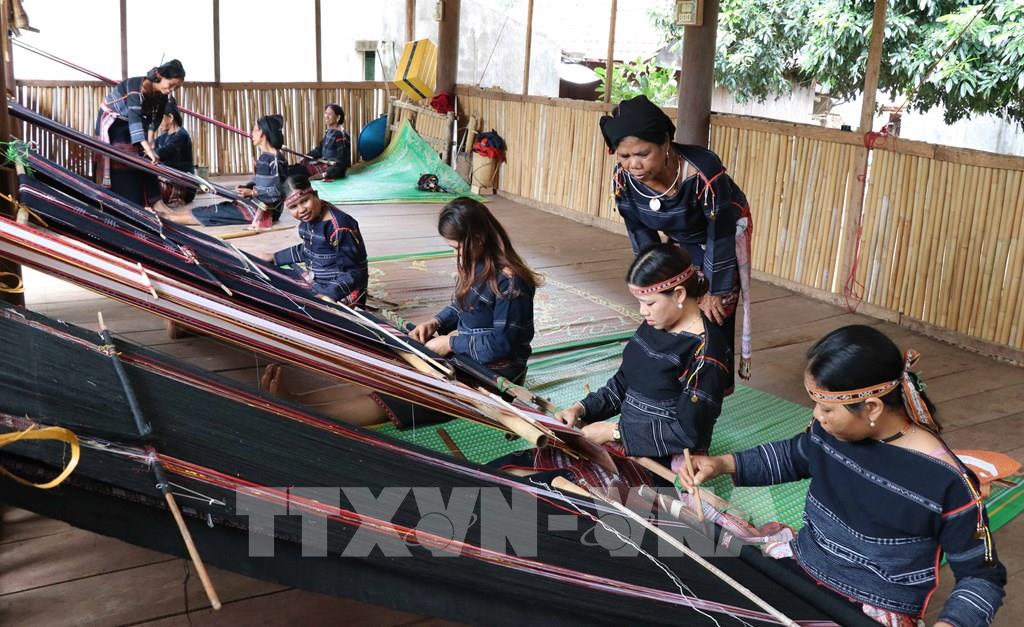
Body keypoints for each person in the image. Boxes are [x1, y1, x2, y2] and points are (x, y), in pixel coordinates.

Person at [680, 325, 1006, 627]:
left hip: (868, 607)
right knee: (684, 539)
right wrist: (721, 464)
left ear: (872, 408)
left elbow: (981, 576)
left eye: (826, 408)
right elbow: (794, 456)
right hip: (800, 566)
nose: (816, 416)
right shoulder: (831, 434)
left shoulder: (947, 481)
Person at [262, 196, 539, 429]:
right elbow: (461, 306)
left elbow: (502, 346)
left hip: (496, 374)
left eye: (456, 247)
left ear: (477, 239)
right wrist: (436, 322)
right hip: (468, 357)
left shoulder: (511, 282)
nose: (455, 255)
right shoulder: (475, 263)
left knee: (409, 397)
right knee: (394, 372)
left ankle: (305, 413)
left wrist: (451, 343)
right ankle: (301, 401)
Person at [494, 243, 730, 487]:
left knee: (546, 488)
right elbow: (622, 384)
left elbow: (687, 433)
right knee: (505, 471)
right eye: (639, 302)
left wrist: (614, 432)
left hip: (657, 464)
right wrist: (581, 409)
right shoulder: (657, 322)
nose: (642, 312)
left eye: (649, 303)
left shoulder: (707, 354)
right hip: (621, 442)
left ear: (679, 294)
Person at [599, 95, 753, 391]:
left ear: (666, 143)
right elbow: (640, 232)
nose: (633, 164)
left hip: (722, 232)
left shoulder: (702, 171)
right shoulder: (624, 181)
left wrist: (716, 290)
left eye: (642, 154)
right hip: (681, 235)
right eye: (624, 156)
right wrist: (653, 283)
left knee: (713, 310)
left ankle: (711, 385)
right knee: (669, 299)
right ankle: (670, 370)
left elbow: (720, 231)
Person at [158, 114, 287, 227]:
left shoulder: (268, 158)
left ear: (262, 133)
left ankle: (168, 218)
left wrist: (252, 192)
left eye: (254, 130)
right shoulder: (275, 156)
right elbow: (266, 185)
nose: (251, 134)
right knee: (216, 209)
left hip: (263, 211)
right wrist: (247, 187)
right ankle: (169, 216)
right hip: (265, 208)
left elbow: (276, 192)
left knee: (211, 213)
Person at [263, 173, 368, 306]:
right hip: (317, 281)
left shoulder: (339, 227)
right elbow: (308, 251)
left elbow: (353, 273)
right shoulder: (308, 220)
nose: (301, 210)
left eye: (305, 201)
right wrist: (275, 257)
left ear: (316, 195)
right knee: (273, 279)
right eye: (293, 207)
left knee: (295, 306)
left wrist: (329, 294)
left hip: (341, 291)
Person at [95, 59, 185, 207]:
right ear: (159, 76)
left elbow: (154, 119)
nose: (172, 90)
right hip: (113, 122)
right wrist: (148, 148)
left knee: (145, 157)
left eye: (176, 87)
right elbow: (134, 117)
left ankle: (154, 202)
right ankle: (126, 202)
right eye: (171, 85)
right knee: (126, 157)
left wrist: (149, 143)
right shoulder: (135, 87)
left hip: (130, 122)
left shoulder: (163, 95)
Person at [291, 103, 351, 180]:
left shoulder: (341, 135)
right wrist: (305, 157)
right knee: (294, 168)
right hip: (324, 164)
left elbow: (342, 161)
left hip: (330, 169)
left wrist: (325, 174)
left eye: (329, 114)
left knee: (294, 172)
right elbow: (319, 149)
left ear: (338, 117)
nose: (326, 116)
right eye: (326, 113)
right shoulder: (330, 131)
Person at [154, 104, 195, 207]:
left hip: (184, 187)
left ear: (171, 118)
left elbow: (163, 153)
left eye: (160, 118)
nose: (157, 123)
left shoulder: (181, 135)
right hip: (168, 180)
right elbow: (150, 149)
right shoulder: (162, 138)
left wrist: (150, 152)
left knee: (150, 186)